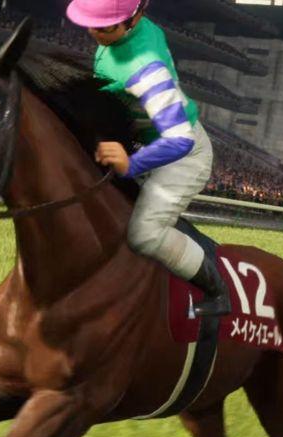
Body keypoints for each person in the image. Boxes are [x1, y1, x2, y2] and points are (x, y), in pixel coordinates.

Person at [65, 0, 229, 317]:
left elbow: (179, 140)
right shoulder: (127, 32)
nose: (94, 32)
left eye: (104, 26)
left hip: (182, 155)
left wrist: (132, 164)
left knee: (144, 234)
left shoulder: (145, 67)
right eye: (90, 23)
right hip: (144, 141)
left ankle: (218, 292)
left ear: (135, 17)